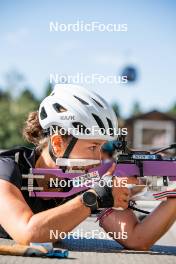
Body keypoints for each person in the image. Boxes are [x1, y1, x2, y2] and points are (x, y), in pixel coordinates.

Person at [0, 84, 175, 251]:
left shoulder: (84, 177)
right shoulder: (7, 169)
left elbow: (137, 239)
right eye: (92, 147)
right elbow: (28, 234)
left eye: (101, 147)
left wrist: (173, 194)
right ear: (58, 143)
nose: (98, 160)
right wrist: (94, 197)